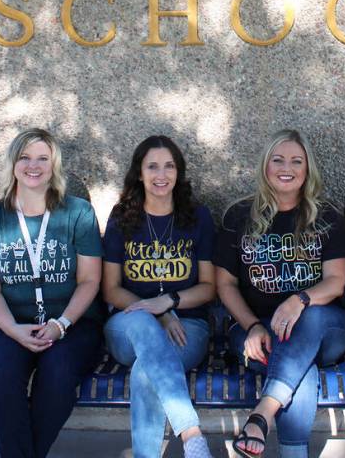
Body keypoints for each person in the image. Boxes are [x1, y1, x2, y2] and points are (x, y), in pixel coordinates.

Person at [215, 129, 345, 458]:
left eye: (296, 160)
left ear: (307, 170)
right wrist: (252, 325)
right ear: (265, 166)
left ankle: (261, 414)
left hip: (323, 327)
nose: (286, 167)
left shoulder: (328, 217)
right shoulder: (239, 216)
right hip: (258, 331)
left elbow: (336, 281)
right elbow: (226, 285)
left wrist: (299, 300)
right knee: (295, 368)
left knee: (309, 323)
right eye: (277, 160)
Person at [0, 128, 104, 458]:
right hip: (12, 323)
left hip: (73, 325)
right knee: (1, 375)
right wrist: (12, 329)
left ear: (54, 164)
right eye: (25, 157)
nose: (33, 165)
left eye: (43, 158)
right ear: (13, 163)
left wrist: (61, 324)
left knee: (58, 373)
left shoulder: (78, 212)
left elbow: (90, 280)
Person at [102, 135, 217, 458]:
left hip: (187, 326)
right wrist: (156, 313)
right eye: (152, 166)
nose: (161, 175)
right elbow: (110, 289)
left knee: (145, 372)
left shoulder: (197, 217)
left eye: (169, 166)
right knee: (141, 321)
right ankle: (191, 432)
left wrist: (170, 303)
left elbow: (209, 286)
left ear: (178, 173)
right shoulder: (122, 217)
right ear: (139, 173)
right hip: (128, 326)